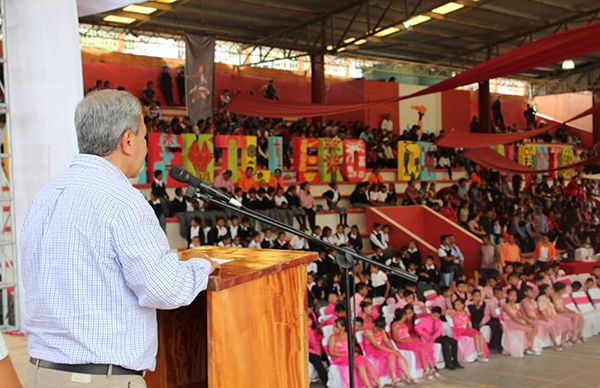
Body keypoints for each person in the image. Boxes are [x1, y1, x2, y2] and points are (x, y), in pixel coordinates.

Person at [20, 90, 219, 387]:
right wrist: (202, 266)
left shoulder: (45, 196)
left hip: (40, 374)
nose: (145, 148)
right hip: (100, 378)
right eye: (144, 138)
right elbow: (162, 289)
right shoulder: (122, 201)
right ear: (127, 140)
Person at [328, 318, 379, 388]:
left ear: (343, 328)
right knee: (357, 361)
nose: (333, 328)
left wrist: (353, 353)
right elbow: (331, 352)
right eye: (333, 326)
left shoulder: (349, 336)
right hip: (339, 357)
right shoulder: (332, 338)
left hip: (349, 355)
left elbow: (352, 348)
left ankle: (372, 384)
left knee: (361, 362)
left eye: (336, 326)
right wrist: (346, 355)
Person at [363, 317, 415, 385]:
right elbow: (376, 345)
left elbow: (386, 340)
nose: (378, 331)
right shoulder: (368, 332)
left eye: (380, 330)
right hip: (373, 350)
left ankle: (407, 375)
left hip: (382, 348)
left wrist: (393, 349)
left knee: (397, 355)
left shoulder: (381, 330)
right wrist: (391, 351)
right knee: (391, 354)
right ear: (373, 324)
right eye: (377, 329)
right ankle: (394, 378)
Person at [391, 307, 438, 380]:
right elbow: (396, 338)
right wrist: (408, 341)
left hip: (408, 340)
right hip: (401, 343)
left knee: (423, 345)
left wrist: (411, 339)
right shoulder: (395, 324)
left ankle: (430, 366)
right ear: (403, 316)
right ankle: (426, 369)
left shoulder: (404, 323)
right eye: (406, 314)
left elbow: (407, 334)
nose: (407, 316)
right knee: (420, 348)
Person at [501, 289, 539, 357]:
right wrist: (524, 323)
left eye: (515, 295)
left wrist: (528, 322)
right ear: (507, 296)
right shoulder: (505, 306)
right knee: (529, 329)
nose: (513, 297)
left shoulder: (516, 305)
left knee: (534, 327)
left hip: (516, 321)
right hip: (509, 323)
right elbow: (513, 317)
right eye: (511, 295)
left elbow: (520, 315)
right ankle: (529, 348)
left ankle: (529, 346)